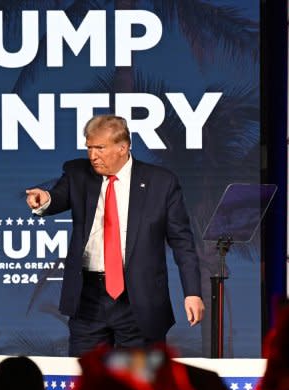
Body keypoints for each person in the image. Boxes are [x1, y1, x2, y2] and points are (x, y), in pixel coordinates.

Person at [25, 114, 204, 356]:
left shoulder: (161, 183)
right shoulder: (78, 173)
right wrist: (44, 199)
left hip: (139, 299)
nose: (92, 155)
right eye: (89, 147)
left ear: (123, 147)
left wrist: (192, 292)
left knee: (140, 383)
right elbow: (57, 197)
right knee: (86, 381)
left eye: (100, 148)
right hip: (88, 298)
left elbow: (182, 242)